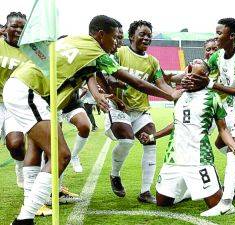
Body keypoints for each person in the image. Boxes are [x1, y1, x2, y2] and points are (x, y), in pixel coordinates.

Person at [7, 15, 180, 225]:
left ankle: (28, 211)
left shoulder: (75, 40)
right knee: (61, 155)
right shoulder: (98, 53)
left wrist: (98, 94)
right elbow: (137, 83)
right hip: (29, 90)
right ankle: (24, 219)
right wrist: (171, 95)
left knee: (37, 147)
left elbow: (87, 72)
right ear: (100, 35)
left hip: (25, 88)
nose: (117, 42)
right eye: (115, 37)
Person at [185, 18, 235, 216]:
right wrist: (178, 78)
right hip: (230, 108)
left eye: (220, 33)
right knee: (221, 144)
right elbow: (203, 72)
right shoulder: (218, 55)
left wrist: (209, 84)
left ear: (232, 36)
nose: (217, 36)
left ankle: (226, 202)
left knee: (233, 151)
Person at [154, 59, 235, 214]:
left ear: (205, 77)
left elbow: (222, 128)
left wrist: (233, 145)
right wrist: (153, 136)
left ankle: (225, 196)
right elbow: (177, 123)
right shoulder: (178, 95)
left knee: (215, 205)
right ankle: (189, 187)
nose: (190, 78)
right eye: (189, 73)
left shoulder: (212, 97)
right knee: (162, 203)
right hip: (173, 156)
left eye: (196, 76)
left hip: (199, 157)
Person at [106, 20, 177, 204]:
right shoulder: (119, 53)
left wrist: (176, 94)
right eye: (142, 34)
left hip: (141, 111)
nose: (146, 37)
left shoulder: (153, 62)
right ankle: (115, 174)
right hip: (118, 107)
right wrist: (113, 96)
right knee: (127, 140)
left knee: (151, 143)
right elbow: (106, 75)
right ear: (131, 36)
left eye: (149, 35)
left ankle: (145, 192)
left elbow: (161, 84)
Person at [0, 12, 28, 188]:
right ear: (5, 29)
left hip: (14, 105)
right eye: (14, 26)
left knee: (16, 143)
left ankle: (20, 167)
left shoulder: (31, 53)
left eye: (22, 27)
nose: (18, 30)